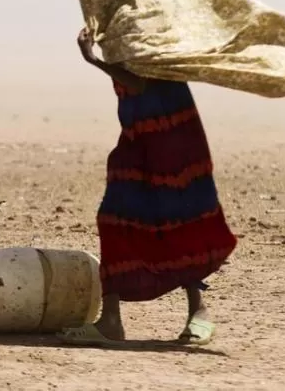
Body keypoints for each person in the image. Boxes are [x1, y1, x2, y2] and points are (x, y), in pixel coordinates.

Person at [58, 28, 238, 346]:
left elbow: (139, 80)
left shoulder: (145, 27)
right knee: (115, 218)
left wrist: (93, 60)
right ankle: (111, 320)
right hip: (138, 137)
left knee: (181, 221)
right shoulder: (113, 27)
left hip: (173, 137)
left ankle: (199, 311)